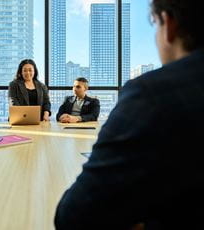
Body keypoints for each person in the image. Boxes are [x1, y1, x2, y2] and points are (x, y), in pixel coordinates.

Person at [55, 0, 204, 229]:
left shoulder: (152, 94)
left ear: (168, 23)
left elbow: (76, 216)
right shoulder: (67, 100)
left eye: (154, 23)